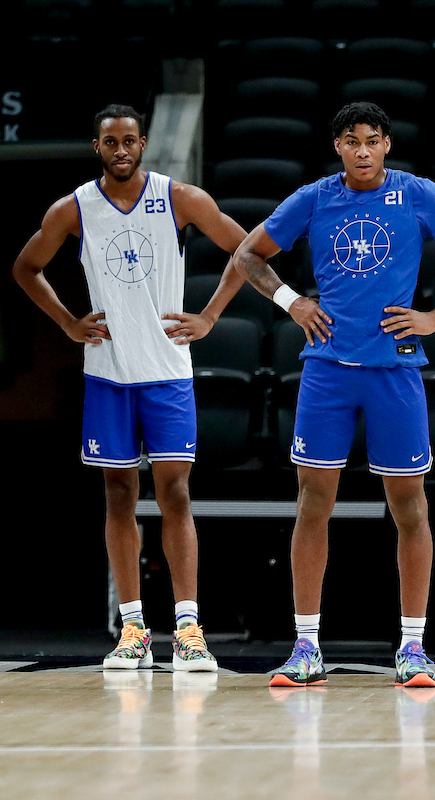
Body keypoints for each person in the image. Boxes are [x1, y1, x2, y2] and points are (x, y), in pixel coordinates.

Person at [233, 101, 435, 688]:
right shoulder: (313, 198)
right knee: (313, 502)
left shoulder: (418, 194)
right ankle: (306, 645)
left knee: (410, 508)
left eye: (373, 140)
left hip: (394, 370)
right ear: (338, 146)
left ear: (387, 145)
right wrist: (292, 302)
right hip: (327, 368)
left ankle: (412, 647)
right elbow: (247, 254)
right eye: (352, 140)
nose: (362, 150)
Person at [12, 104, 250, 672]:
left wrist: (210, 316)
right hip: (108, 374)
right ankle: (134, 629)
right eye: (110, 142)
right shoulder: (74, 208)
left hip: (168, 372)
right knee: (118, 498)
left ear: (143, 144)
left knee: (175, 496)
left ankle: (189, 628)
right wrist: (70, 323)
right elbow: (27, 268)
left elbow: (246, 249)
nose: (121, 150)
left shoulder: (179, 198)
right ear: (98, 147)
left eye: (129, 141)